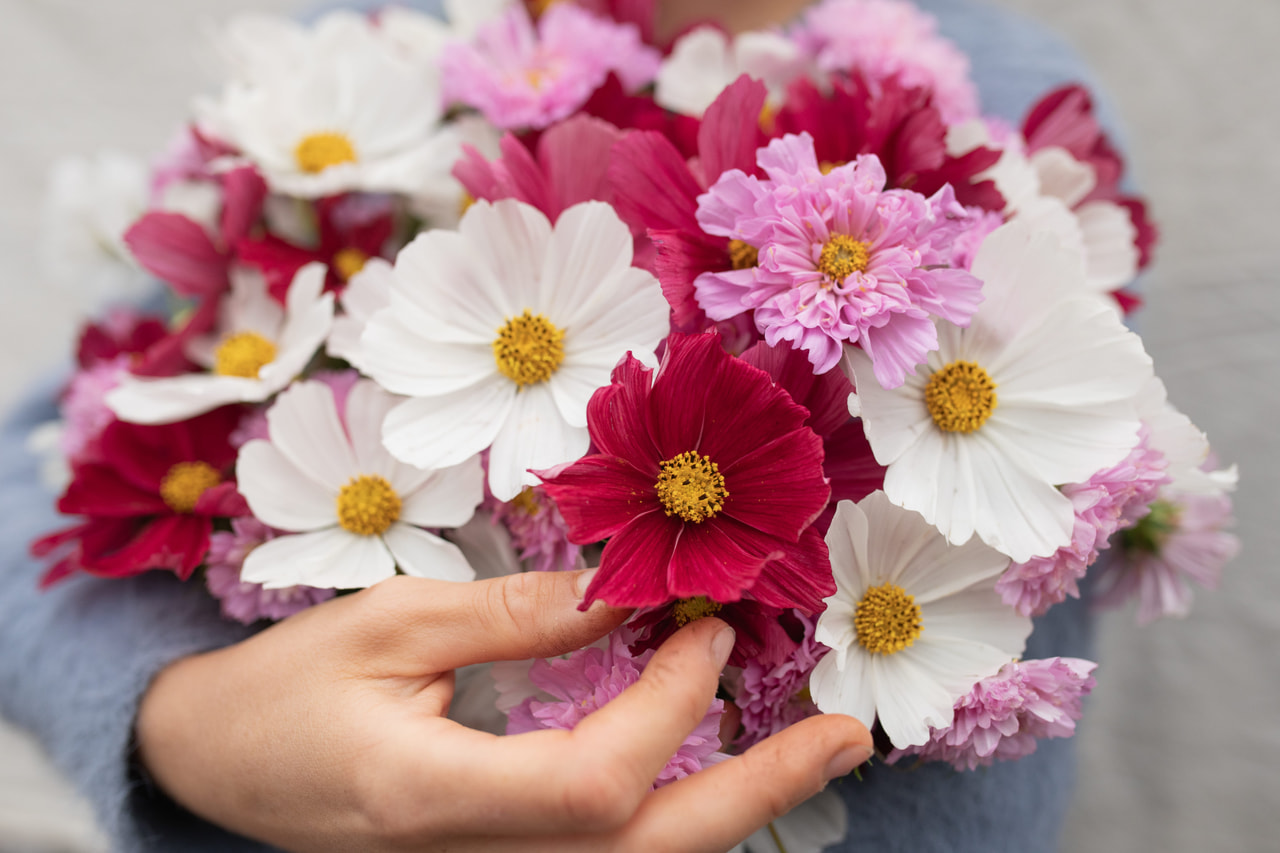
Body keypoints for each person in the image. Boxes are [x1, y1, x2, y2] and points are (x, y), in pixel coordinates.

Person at [0, 0, 1112, 850]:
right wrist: (193, 732)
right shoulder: (386, 40)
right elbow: (32, 478)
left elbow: (989, 599)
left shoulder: (996, 103)